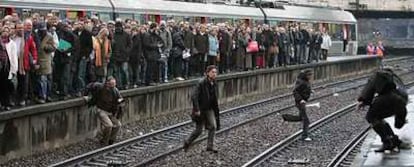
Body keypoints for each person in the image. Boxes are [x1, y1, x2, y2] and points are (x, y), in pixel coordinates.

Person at [357, 68, 409, 152]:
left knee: (371, 117)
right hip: (403, 100)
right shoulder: (395, 77)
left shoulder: (378, 75)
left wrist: (363, 101)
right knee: (379, 117)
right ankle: (394, 140)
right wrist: (400, 120)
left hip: (389, 98)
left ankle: (387, 142)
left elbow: (369, 88)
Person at [183, 65, 220, 153]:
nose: (214, 74)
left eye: (215, 72)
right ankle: (187, 142)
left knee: (213, 126)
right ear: (208, 73)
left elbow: (214, 97)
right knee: (199, 130)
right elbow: (194, 96)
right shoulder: (201, 83)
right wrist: (197, 109)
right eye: (212, 72)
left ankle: (210, 146)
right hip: (201, 109)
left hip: (209, 108)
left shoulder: (214, 83)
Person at [84, 76, 124, 145]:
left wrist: (119, 102)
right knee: (109, 125)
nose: (112, 87)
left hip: (110, 111)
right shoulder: (100, 87)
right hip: (101, 109)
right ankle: (104, 140)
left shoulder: (115, 91)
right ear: (107, 83)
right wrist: (86, 95)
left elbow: (121, 100)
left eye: (114, 85)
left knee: (118, 125)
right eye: (111, 85)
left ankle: (111, 139)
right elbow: (90, 86)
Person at [282, 69, 313, 141]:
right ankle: (304, 136)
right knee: (306, 120)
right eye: (309, 75)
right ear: (306, 75)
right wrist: (300, 100)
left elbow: (304, 89)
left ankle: (285, 117)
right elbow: (295, 91)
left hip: (303, 102)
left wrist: (310, 91)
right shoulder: (301, 81)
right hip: (300, 103)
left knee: (300, 118)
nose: (310, 77)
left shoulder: (305, 80)